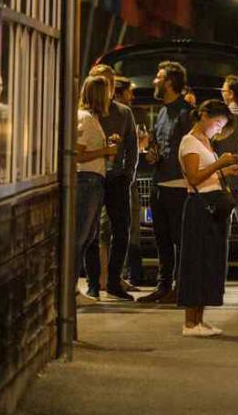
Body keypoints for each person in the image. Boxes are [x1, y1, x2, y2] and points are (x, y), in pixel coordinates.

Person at [177, 100, 238, 336]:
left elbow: (208, 174)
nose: (218, 129)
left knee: (210, 262)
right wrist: (220, 163)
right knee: (195, 261)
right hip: (199, 206)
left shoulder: (206, 142)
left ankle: (200, 319)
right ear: (204, 116)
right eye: (217, 123)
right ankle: (189, 322)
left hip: (214, 205)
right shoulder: (189, 142)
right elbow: (194, 178)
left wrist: (226, 171)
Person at [140, 61, 194, 304]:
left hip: (178, 186)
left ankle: (181, 287)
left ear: (170, 82)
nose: (154, 81)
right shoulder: (162, 111)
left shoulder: (185, 113)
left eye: (158, 77)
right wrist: (152, 153)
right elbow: (158, 143)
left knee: (180, 240)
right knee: (161, 238)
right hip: (158, 182)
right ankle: (163, 286)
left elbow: (192, 147)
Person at [85, 65, 140, 301]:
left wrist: (128, 174)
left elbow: (132, 146)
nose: (108, 87)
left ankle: (115, 281)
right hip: (93, 176)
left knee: (121, 230)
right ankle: (93, 283)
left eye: (110, 82)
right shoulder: (88, 114)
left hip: (117, 178)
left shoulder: (123, 112)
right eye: (102, 82)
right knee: (91, 231)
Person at [75, 76, 119, 300]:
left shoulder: (92, 119)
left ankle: (75, 289)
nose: (111, 96)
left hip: (94, 180)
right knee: (80, 236)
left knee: (88, 236)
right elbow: (77, 153)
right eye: (108, 91)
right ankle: (70, 289)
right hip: (86, 180)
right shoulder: (84, 118)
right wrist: (105, 152)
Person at [213, 74, 238, 256]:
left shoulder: (221, 118)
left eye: (224, 89)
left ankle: (217, 273)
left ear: (231, 93)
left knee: (221, 232)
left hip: (224, 179)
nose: (221, 92)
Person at [115, 76, 147, 288]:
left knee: (129, 227)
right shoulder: (122, 114)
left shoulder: (130, 113)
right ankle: (124, 274)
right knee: (123, 227)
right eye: (129, 92)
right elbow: (128, 147)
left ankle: (129, 273)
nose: (132, 96)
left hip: (128, 176)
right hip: (123, 177)